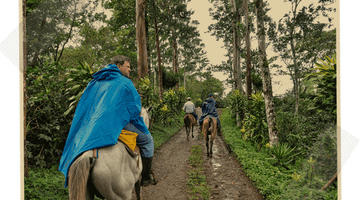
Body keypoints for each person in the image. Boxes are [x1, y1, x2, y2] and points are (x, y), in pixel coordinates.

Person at [59, 55, 156, 188]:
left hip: (93, 126)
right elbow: (134, 107)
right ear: (119, 66)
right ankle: (146, 177)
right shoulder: (125, 82)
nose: (129, 70)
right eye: (127, 67)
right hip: (117, 125)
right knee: (148, 140)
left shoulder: (95, 81)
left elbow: (85, 106)